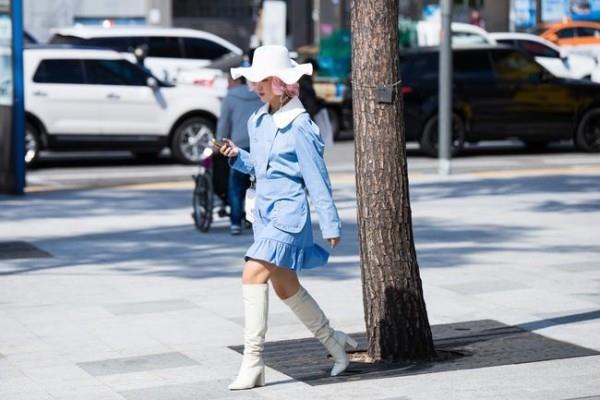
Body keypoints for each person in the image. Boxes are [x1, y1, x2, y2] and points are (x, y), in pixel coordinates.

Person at [219, 45, 356, 390]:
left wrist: (330, 223)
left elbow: (316, 177)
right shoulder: (258, 119)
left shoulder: (300, 125)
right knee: (285, 287)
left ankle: (253, 363)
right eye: (254, 81)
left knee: (252, 273)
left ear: (280, 82)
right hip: (264, 216)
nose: (256, 86)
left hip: (289, 217)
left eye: (262, 80)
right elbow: (262, 169)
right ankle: (334, 342)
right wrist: (237, 156)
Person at [216, 71, 263, 235]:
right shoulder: (259, 93)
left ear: (235, 81)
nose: (228, 84)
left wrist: (220, 143)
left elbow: (223, 124)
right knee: (259, 183)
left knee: (235, 185)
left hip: (239, 144)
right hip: (259, 144)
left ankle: (235, 222)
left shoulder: (230, 97)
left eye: (229, 81)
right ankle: (254, 218)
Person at [299, 59, 334, 147]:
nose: (316, 75)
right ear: (312, 71)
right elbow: (312, 108)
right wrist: (322, 104)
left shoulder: (299, 81)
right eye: (316, 72)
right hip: (306, 124)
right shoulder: (306, 84)